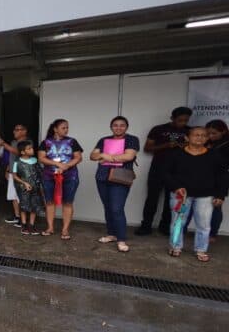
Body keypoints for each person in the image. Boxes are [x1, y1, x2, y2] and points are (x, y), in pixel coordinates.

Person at [164, 126, 227, 262]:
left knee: (204, 225)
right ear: (187, 137)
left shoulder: (214, 155)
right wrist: (176, 187)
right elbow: (166, 173)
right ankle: (175, 246)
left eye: (203, 135)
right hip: (181, 195)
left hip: (206, 195)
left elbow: (222, 176)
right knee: (178, 222)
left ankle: (201, 249)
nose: (200, 138)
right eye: (196, 135)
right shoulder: (176, 154)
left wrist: (220, 195)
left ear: (207, 138)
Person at [136, 106, 192, 236]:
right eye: (180, 120)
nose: (183, 123)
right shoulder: (159, 129)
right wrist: (166, 145)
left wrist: (186, 146)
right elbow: (147, 148)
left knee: (171, 200)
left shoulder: (190, 131)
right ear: (172, 118)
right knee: (152, 198)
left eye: (186, 120)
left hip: (178, 171)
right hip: (158, 168)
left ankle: (165, 226)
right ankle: (146, 226)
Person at [90, 116, 140, 253]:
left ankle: (121, 239)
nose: (118, 127)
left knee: (117, 208)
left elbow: (129, 156)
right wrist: (104, 156)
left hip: (120, 178)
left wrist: (105, 156)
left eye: (122, 125)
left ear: (126, 127)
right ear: (111, 127)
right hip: (102, 177)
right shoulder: (103, 140)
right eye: (115, 125)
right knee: (107, 207)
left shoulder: (132, 139)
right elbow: (92, 156)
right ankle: (111, 234)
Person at [38, 118, 83, 240]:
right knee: (49, 202)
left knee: (68, 202)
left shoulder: (72, 141)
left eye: (67, 127)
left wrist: (67, 165)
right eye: (63, 127)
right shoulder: (46, 142)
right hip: (49, 176)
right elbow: (41, 158)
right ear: (55, 129)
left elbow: (78, 157)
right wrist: (58, 164)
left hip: (70, 176)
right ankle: (50, 227)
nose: (66, 130)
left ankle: (65, 229)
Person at [11, 140, 44, 235]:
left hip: (35, 188)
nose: (32, 149)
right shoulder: (17, 162)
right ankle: (24, 225)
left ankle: (32, 225)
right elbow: (14, 176)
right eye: (29, 148)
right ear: (22, 152)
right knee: (24, 206)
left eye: (32, 148)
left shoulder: (35, 161)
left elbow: (40, 173)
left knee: (34, 206)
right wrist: (24, 183)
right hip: (23, 188)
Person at [1, 124, 29, 226]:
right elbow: (11, 158)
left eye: (18, 130)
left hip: (22, 173)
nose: (15, 131)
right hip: (13, 172)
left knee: (22, 196)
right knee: (13, 196)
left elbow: (19, 152)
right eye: (15, 129)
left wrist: (4, 144)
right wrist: (7, 170)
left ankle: (23, 219)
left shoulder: (28, 142)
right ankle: (17, 217)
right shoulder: (13, 142)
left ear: (24, 131)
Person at [205, 119, 229, 239]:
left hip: (219, 179)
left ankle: (212, 234)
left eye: (214, 133)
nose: (211, 136)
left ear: (223, 131)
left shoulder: (226, 145)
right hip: (203, 178)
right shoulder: (207, 142)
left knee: (216, 206)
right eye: (208, 133)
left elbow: (223, 165)